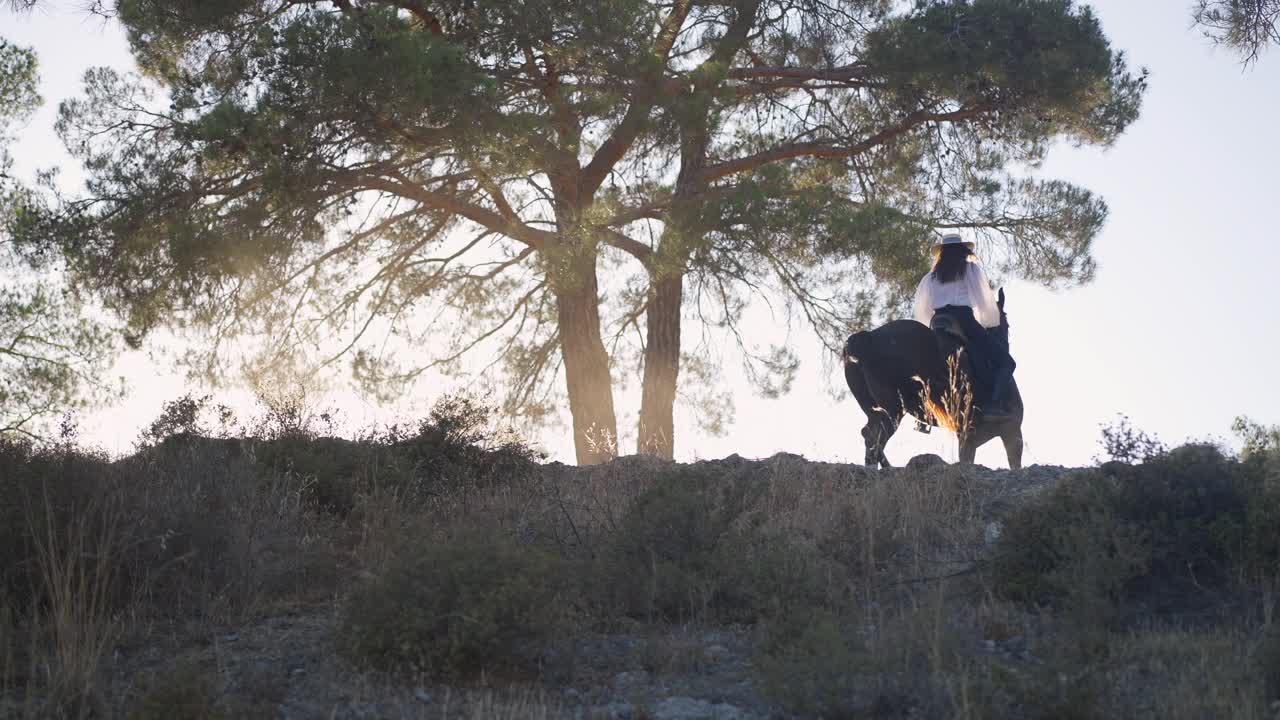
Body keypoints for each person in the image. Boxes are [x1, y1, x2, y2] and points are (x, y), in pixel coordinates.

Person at [913, 233, 1016, 419]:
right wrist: (989, 322)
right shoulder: (970, 269)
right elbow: (984, 300)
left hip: (937, 322)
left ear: (942, 254)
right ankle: (993, 407)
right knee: (1007, 362)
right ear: (963, 251)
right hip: (963, 319)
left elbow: (922, 310)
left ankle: (923, 416)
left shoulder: (930, 277)